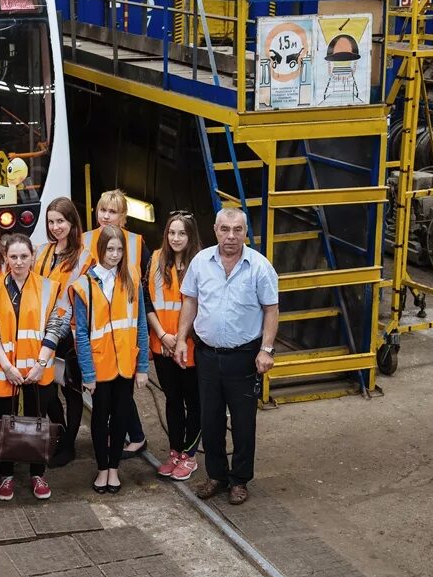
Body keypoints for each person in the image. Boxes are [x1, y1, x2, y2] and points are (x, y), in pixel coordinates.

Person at [175, 209, 279, 506]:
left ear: (245, 231)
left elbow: (271, 309)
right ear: (215, 230)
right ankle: (217, 475)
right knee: (210, 419)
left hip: (244, 357)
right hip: (207, 356)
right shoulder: (200, 262)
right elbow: (190, 301)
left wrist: (266, 349)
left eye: (237, 230)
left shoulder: (259, 267)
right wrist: (181, 339)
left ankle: (240, 479)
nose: (231, 236)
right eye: (225, 229)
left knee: (244, 422)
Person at [0, 233, 67, 501]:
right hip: (5, 370)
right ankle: (6, 475)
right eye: (13, 256)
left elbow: (54, 327)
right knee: (3, 422)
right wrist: (7, 367)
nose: (18, 262)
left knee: (37, 419)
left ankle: (37, 474)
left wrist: (40, 364)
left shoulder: (49, 287)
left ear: (33, 257)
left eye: (24, 256)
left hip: (38, 371)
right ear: (5, 258)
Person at [71, 225, 150, 494]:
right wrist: (88, 373)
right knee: (100, 416)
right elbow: (81, 334)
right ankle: (102, 468)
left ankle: (114, 468)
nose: (114, 255)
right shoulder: (84, 285)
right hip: (100, 365)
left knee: (120, 416)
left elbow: (140, 325)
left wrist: (142, 367)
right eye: (109, 249)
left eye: (119, 249)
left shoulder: (132, 278)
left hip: (125, 365)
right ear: (99, 250)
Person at [82, 189, 149, 458]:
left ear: (123, 217)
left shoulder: (136, 243)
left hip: (124, 328)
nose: (106, 216)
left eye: (113, 212)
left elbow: (143, 290)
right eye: (103, 210)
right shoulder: (85, 240)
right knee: (109, 396)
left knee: (121, 393)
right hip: (99, 329)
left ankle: (134, 436)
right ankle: (128, 436)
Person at [34, 196, 92, 467]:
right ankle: (60, 432)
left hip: (70, 334)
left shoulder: (85, 258)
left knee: (72, 391)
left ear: (72, 222)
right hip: (43, 332)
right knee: (46, 390)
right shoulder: (42, 252)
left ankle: (68, 444)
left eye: (61, 221)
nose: (56, 227)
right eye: (51, 222)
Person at [146, 211, 202, 481]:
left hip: (191, 346)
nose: (176, 238)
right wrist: (162, 335)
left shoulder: (202, 263)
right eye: (171, 232)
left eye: (182, 233)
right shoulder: (156, 259)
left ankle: (189, 455)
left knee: (194, 401)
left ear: (191, 236)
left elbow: (203, 307)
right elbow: (147, 300)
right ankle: (175, 451)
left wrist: (179, 338)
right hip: (163, 345)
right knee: (172, 399)